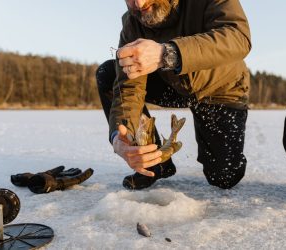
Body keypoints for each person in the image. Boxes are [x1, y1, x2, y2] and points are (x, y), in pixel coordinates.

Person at [96, 0, 251, 190]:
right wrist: (119, 137)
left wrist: (167, 53)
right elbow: (128, 89)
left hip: (221, 90)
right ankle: (156, 163)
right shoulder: (132, 23)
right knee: (109, 73)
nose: (138, 3)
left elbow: (238, 36)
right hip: (174, 85)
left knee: (224, 177)